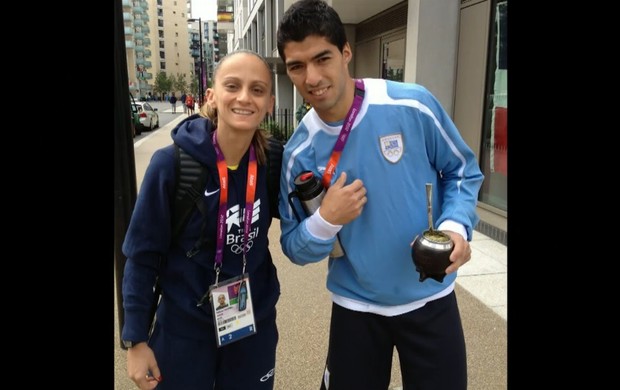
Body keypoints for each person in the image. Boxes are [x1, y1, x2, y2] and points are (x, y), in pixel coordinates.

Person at [276, 1, 484, 389]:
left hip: (430, 299)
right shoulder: (298, 152)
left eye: (323, 58)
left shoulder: (411, 104)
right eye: (297, 66)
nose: (313, 77)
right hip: (355, 307)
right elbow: (293, 245)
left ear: (346, 52)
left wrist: (456, 227)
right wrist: (325, 220)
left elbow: (462, 171)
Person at [121, 49, 281, 390]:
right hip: (183, 331)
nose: (243, 97)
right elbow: (142, 255)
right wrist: (135, 339)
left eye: (257, 89)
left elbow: (303, 227)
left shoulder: (272, 163)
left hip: (253, 326)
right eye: (232, 85)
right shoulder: (172, 165)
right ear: (211, 95)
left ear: (270, 101)